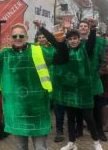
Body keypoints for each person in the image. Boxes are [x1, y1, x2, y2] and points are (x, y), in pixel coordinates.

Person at [35, 19, 103, 150]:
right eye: (70, 39)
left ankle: (96, 142)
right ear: (68, 40)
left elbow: (92, 42)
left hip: (83, 90)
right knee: (71, 118)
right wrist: (41, 28)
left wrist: (93, 28)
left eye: (75, 38)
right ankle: (72, 142)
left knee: (88, 117)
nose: (73, 41)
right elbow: (53, 40)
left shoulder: (85, 49)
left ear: (79, 39)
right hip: (69, 90)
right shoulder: (64, 50)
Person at [0, 23, 53, 150]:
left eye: (21, 35)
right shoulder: (5, 55)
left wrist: (44, 30)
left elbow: (62, 56)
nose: (18, 38)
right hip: (18, 111)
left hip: (37, 109)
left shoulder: (39, 51)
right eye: (15, 36)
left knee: (40, 147)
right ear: (11, 38)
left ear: (27, 37)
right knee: (21, 147)